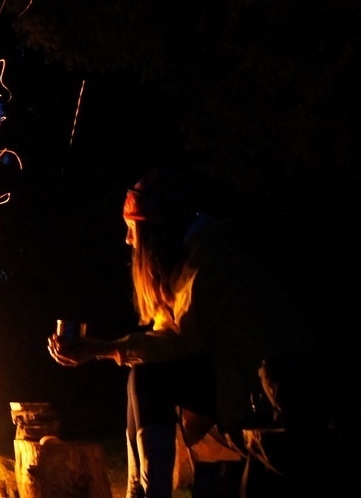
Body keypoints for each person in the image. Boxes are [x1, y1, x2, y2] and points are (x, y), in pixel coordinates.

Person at [46, 168, 321, 498]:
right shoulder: (196, 258)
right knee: (143, 371)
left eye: (131, 229)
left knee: (148, 376)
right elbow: (168, 337)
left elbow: (180, 344)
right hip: (248, 384)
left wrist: (100, 349)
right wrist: (106, 349)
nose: (127, 240)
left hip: (272, 395)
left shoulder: (207, 264)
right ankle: (141, 492)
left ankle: (150, 494)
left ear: (153, 231)